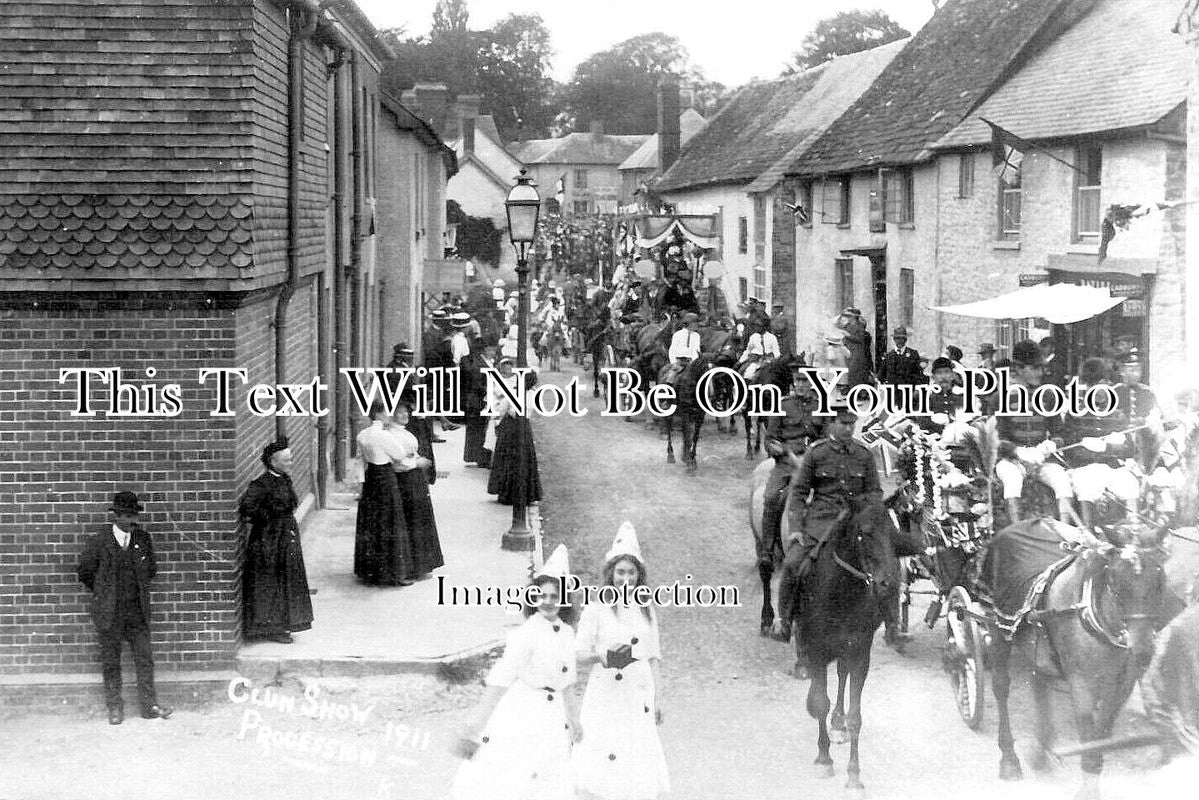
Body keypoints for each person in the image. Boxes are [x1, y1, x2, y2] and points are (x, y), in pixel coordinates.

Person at [451, 545, 581, 800]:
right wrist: (477, 723)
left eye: (555, 596)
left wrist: (575, 720)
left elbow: (568, 683)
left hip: (553, 717)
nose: (548, 602)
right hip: (525, 710)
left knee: (549, 774)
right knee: (516, 774)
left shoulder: (566, 633)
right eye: (542, 596)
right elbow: (501, 678)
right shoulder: (527, 633)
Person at [774, 405, 891, 651]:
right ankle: (785, 621)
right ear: (832, 424)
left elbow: (875, 492)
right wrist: (796, 528)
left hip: (855, 524)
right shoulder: (817, 454)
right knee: (794, 564)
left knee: (886, 565)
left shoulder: (864, 454)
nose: (848, 428)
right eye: (843, 423)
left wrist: (868, 515)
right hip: (821, 524)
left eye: (852, 423)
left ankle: (891, 623)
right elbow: (799, 493)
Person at [572, 523, 670, 800]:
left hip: (637, 692)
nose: (625, 579)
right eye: (620, 572)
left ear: (639, 576)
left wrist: (659, 698)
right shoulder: (597, 606)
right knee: (603, 759)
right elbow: (578, 654)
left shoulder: (646, 607)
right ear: (611, 573)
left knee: (636, 760)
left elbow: (653, 657)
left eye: (631, 572)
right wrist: (601, 657)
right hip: (606, 691)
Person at [77, 491, 173, 725]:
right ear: (116, 516)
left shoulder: (142, 539)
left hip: (137, 612)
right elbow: (85, 572)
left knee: (145, 659)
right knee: (111, 661)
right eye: (128, 516)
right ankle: (115, 708)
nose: (133, 521)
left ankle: (149, 706)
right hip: (110, 613)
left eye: (135, 516)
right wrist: (104, 593)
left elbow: (151, 570)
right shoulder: (99, 540)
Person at [993, 341, 1079, 525]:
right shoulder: (1001, 397)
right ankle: (1015, 533)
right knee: (1012, 481)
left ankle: (1065, 534)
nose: (1040, 373)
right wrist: (1017, 451)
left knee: (1062, 481)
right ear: (1019, 368)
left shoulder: (1048, 396)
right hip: (1012, 460)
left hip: (1041, 458)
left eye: (1041, 368)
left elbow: (1061, 432)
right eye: (1034, 368)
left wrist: (1052, 445)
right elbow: (996, 438)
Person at [239, 437, 314, 643]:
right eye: (287, 460)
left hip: (285, 536)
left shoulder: (284, 479)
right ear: (273, 462)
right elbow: (248, 507)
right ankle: (271, 628)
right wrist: (269, 520)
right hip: (269, 541)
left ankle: (285, 624)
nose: (291, 463)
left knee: (286, 580)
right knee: (272, 583)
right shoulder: (261, 484)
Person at [1063, 358, 1138, 528]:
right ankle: (1088, 535)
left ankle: (1133, 531)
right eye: (1092, 384)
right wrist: (1093, 452)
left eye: (1102, 383)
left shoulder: (1117, 414)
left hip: (1112, 467)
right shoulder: (1075, 414)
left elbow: (1129, 449)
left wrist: (1107, 447)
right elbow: (1071, 450)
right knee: (1086, 487)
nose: (1097, 389)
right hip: (1084, 467)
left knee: (1130, 484)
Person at [354, 400, 415, 586]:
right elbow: (399, 455)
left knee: (372, 523)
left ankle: (370, 572)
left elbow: (359, 461)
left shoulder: (362, 435)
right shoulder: (384, 435)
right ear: (380, 415)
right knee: (391, 523)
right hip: (386, 478)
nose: (389, 416)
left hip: (371, 478)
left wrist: (361, 484)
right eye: (387, 413)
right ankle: (394, 573)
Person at [387, 402, 444, 580]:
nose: (404, 415)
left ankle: (421, 564)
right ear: (392, 415)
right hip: (406, 480)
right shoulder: (391, 434)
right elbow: (398, 461)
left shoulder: (403, 431)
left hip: (414, 479)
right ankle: (414, 565)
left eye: (406, 412)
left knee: (419, 519)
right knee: (413, 519)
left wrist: (418, 459)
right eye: (400, 413)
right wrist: (416, 463)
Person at [487, 358, 543, 507]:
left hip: (510, 427)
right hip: (524, 428)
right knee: (524, 460)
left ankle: (507, 492)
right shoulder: (533, 395)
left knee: (507, 460)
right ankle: (525, 493)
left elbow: (502, 409)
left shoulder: (514, 393)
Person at [1114, 349, 1161, 471]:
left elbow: (1157, 417)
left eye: (1137, 370)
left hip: (1144, 442)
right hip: (1120, 443)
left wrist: (1149, 421)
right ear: (1122, 371)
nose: (1135, 374)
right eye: (1131, 370)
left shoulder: (1148, 393)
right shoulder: (1113, 392)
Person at [461, 341, 495, 467]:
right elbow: (476, 383)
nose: (493, 353)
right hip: (477, 399)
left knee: (480, 429)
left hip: (480, 398)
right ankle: (479, 458)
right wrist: (489, 390)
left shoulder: (484, 362)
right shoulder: (478, 364)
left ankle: (477, 456)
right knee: (478, 429)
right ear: (483, 350)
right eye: (490, 350)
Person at [835, 307, 873, 388]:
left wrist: (847, 335)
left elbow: (860, 339)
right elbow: (837, 324)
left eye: (849, 316)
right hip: (848, 353)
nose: (847, 318)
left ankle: (857, 392)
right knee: (849, 373)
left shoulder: (860, 326)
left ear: (853, 317)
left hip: (857, 354)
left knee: (855, 373)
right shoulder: (847, 326)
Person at [665, 313, 701, 384]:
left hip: (691, 363)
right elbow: (672, 350)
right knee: (671, 377)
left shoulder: (696, 336)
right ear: (689, 324)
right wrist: (674, 362)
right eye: (695, 323)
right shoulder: (678, 335)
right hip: (679, 362)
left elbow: (696, 350)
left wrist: (694, 362)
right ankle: (667, 390)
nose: (697, 325)